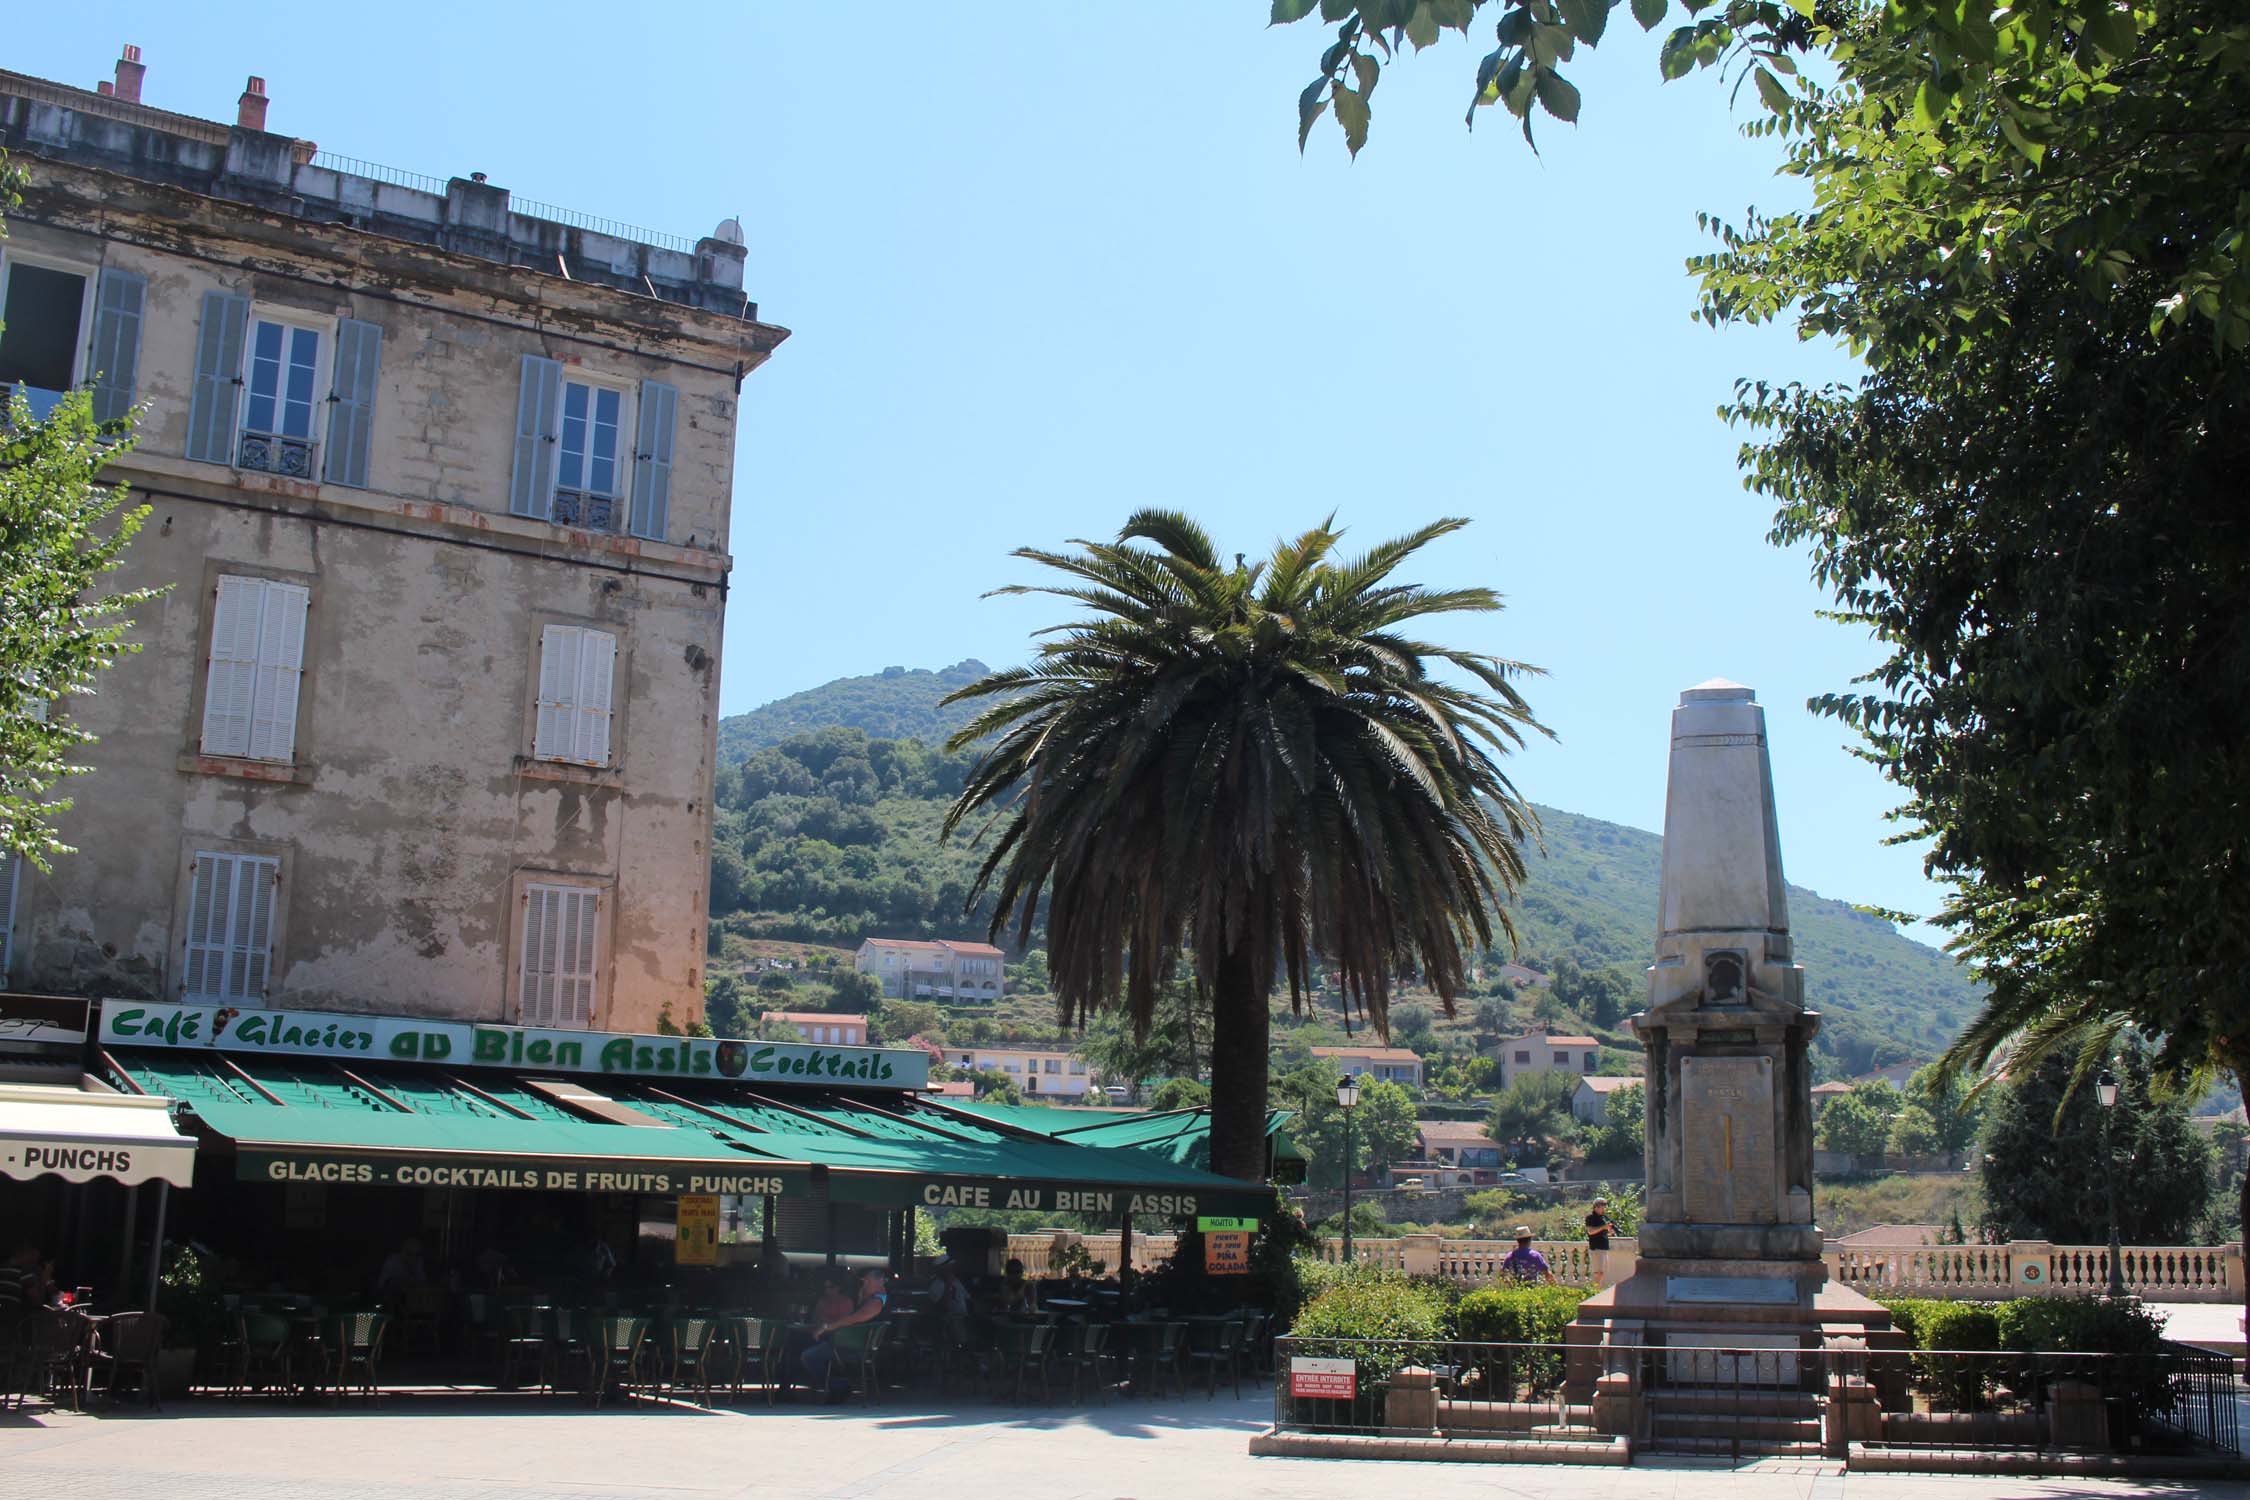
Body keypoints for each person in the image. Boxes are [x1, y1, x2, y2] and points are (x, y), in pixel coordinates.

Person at [801, 1267, 888, 1399]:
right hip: (852, 1344)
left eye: (867, 1282)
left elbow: (853, 1319)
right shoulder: (869, 1299)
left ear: (880, 1282)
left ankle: (837, 1386)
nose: (864, 1285)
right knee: (808, 1346)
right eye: (863, 1282)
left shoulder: (876, 1303)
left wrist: (827, 1327)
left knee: (809, 1355)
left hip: (857, 1349)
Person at [1584, 1198, 1612, 1281]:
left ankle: (1597, 1290)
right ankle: (1596, 1291)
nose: (1604, 1208)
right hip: (1596, 1248)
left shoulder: (1604, 1218)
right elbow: (1590, 1231)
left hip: (1604, 1247)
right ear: (1596, 1207)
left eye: (1605, 1206)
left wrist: (1610, 1230)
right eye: (1602, 1206)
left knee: (1602, 1272)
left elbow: (1604, 1232)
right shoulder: (1590, 1218)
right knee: (1598, 1272)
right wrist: (1603, 1227)